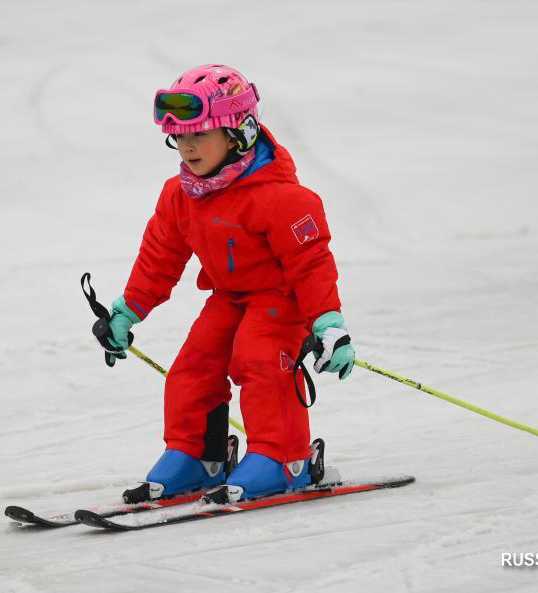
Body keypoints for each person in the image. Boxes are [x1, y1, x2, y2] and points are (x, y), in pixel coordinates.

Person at [98, 64, 355, 503]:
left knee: (258, 359)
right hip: (229, 298)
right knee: (193, 366)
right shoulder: (181, 195)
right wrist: (127, 311)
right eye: (179, 137)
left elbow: (312, 264)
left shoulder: (284, 199)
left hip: (281, 300)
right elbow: (160, 256)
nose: (187, 147)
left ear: (242, 132)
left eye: (200, 134)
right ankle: (197, 457)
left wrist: (329, 324)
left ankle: (283, 460)